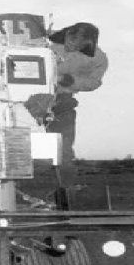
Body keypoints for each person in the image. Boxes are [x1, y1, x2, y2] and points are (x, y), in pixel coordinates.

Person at [46, 23, 108, 192]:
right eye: (70, 40)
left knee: (64, 149)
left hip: (62, 103)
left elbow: (94, 82)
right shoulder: (46, 42)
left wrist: (71, 81)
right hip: (30, 99)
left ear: (88, 44)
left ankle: (67, 190)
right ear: (66, 34)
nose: (71, 45)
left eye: (78, 44)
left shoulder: (98, 58)